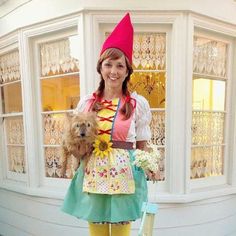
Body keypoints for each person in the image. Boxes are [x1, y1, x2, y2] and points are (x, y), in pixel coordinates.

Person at [61, 13, 158, 236]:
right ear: (100, 68)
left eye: (120, 66)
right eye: (108, 64)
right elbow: (77, 138)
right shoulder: (87, 102)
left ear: (127, 71)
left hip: (125, 174)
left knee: (122, 233)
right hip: (94, 172)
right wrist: (76, 155)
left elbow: (142, 144)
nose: (113, 71)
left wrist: (148, 166)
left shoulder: (137, 104)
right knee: (97, 232)